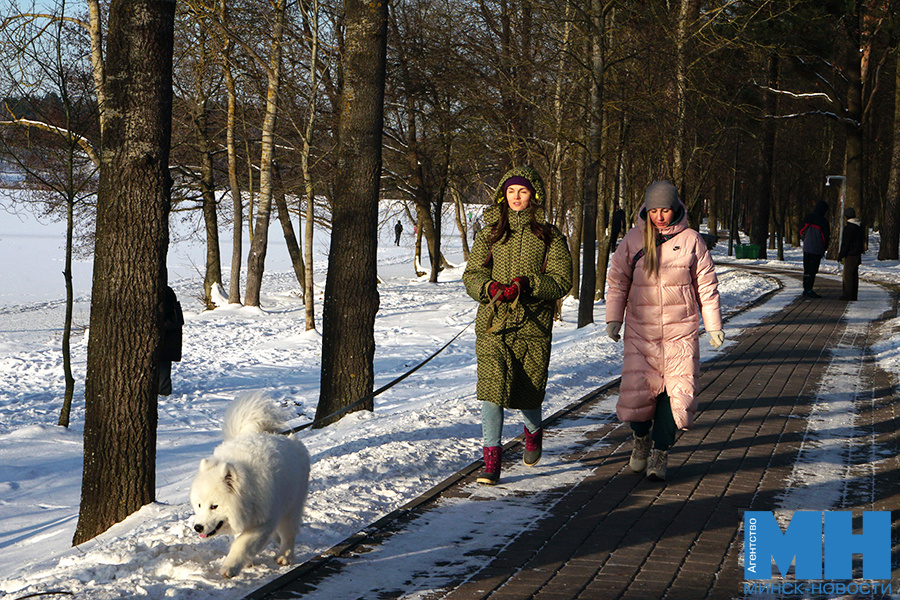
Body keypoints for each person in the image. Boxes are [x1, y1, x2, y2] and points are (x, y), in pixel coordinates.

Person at [605, 181, 724, 482]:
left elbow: (707, 288)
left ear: (676, 208)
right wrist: (613, 319)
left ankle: (660, 451)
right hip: (640, 332)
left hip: (680, 333)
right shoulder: (633, 240)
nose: (660, 216)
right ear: (646, 209)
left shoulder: (692, 241)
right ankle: (641, 438)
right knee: (637, 395)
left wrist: (713, 325)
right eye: (654, 210)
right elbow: (617, 281)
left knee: (677, 395)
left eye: (665, 209)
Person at [463, 166, 573, 485]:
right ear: (502, 195)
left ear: (533, 196)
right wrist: (490, 288)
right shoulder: (490, 234)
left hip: (533, 328)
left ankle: (534, 433)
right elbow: (471, 275)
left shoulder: (550, 236)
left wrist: (529, 285)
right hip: (493, 325)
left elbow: (561, 280)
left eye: (522, 191)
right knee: (491, 392)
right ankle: (491, 463)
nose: (516, 197)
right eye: (510, 191)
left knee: (527, 396)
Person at [799, 200, 830, 298]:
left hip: (807, 247)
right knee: (813, 270)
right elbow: (825, 237)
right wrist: (824, 248)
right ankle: (809, 290)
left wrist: (805, 240)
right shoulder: (823, 221)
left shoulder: (808, 217)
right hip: (817, 248)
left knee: (806, 269)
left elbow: (801, 231)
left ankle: (805, 289)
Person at [158, 284, 184, 396]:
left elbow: (172, 321)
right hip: (168, 340)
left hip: (167, 341)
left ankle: (163, 392)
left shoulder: (164, 293)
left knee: (163, 367)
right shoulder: (166, 292)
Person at [837, 207, 864, 301]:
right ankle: (853, 295)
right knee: (854, 274)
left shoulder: (848, 228)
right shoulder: (860, 226)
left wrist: (841, 254)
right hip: (857, 253)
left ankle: (847, 295)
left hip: (850, 254)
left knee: (847, 274)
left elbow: (846, 243)